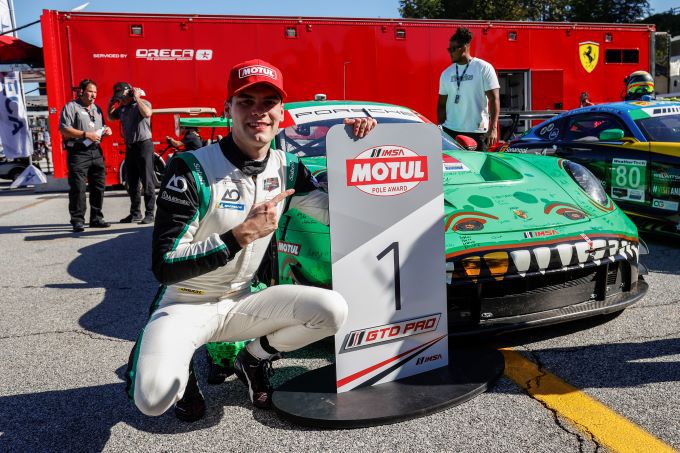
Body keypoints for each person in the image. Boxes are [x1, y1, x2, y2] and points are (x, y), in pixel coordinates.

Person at [125, 58, 376, 422]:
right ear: (228, 108)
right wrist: (240, 235)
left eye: (268, 102)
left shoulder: (288, 166)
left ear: (281, 112)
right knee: (153, 400)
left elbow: (337, 215)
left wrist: (351, 151)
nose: (258, 112)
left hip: (242, 300)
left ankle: (252, 359)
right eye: (246, 101)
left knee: (331, 310)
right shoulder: (190, 167)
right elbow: (164, 266)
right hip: (186, 301)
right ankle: (178, 369)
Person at [59, 79, 113, 233]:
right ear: (81, 91)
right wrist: (85, 134)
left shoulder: (97, 109)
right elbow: (64, 129)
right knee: (78, 187)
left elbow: (99, 129)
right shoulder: (71, 107)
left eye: (95, 92)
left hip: (96, 152)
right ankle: (77, 220)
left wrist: (105, 131)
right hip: (78, 152)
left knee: (98, 186)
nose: (93, 95)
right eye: (90, 91)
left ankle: (96, 218)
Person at [437, 27, 500, 151]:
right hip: (451, 132)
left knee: (478, 169)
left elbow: (494, 99)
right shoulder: (446, 73)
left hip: (478, 132)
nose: (450, 52)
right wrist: (441, 129)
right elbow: (441, 104)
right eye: (449, 49)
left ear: (464, 48)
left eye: (453, 49)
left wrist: (493, 129)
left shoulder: (483, 68)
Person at [107, 82, 155, 224]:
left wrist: (137, 98)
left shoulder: (143, 103)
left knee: (147, 181)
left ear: (130, 93)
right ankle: (135, 213)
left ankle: (150, 213)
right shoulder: (122, 108)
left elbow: (147, 113)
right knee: (132, 182)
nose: (120, 100)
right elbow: (110, 117)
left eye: (122, 96)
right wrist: (111, 103)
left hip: (144, 146)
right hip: (130, 147)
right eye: (118, 98)